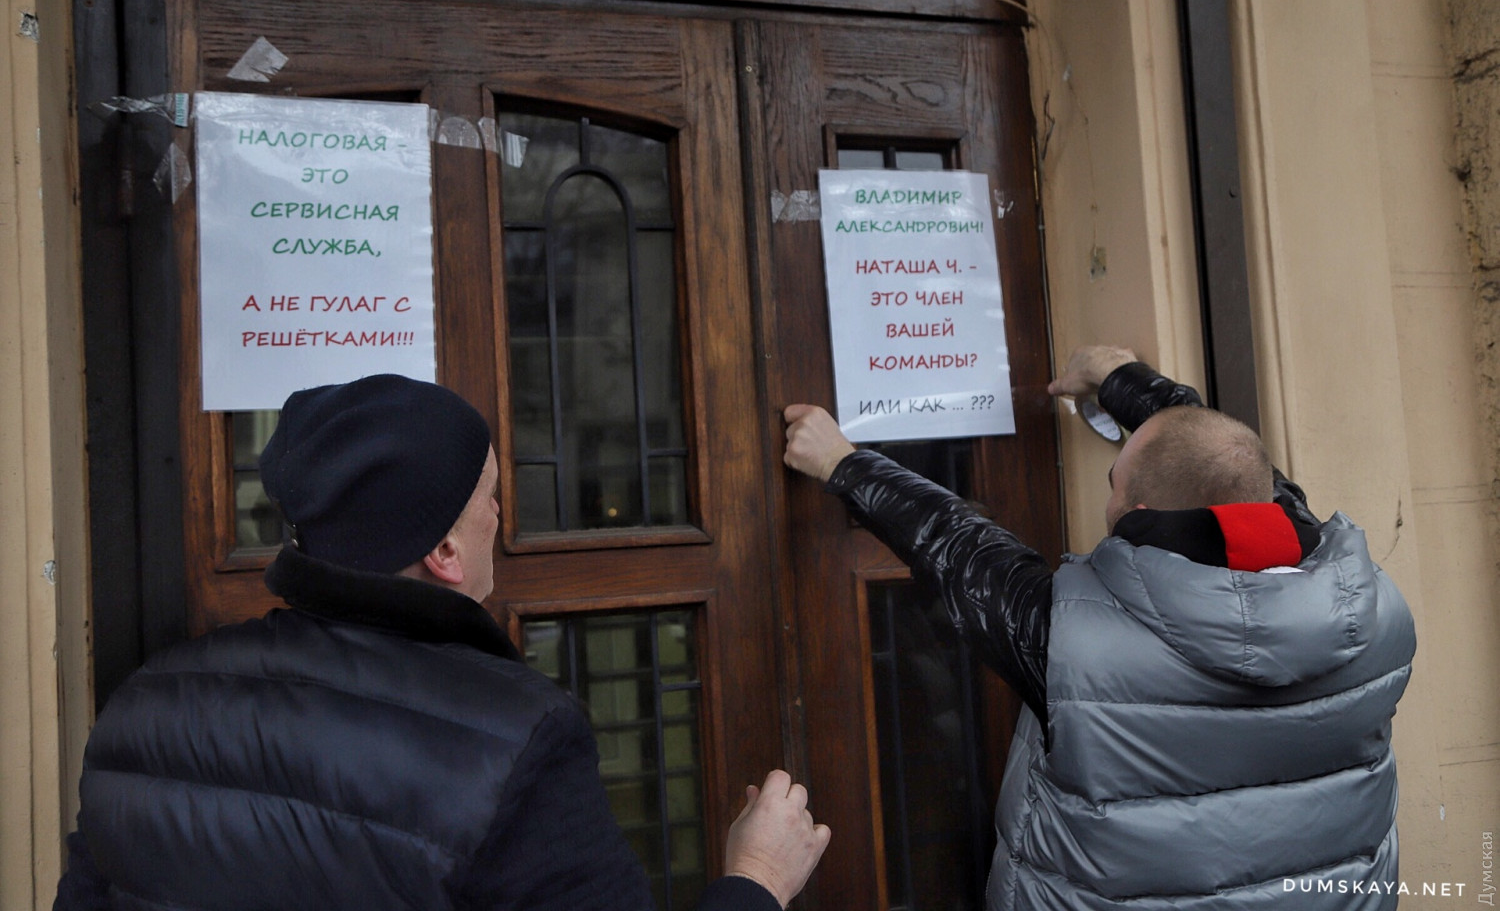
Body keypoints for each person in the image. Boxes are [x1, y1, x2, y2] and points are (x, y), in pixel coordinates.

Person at [57, 374, 829, 911]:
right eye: (489, 495)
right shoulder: (519, 744)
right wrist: (757, 876)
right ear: (446, 553)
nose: (500, 514)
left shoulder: (144, 707)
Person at [784, 345, 1415, 910]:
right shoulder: (1371, 610)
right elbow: (1229, 467)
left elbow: (958, 548)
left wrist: (841, 460)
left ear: (1135, 512)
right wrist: (1118, 377)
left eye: (1113, 485)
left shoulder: (1076, 644)